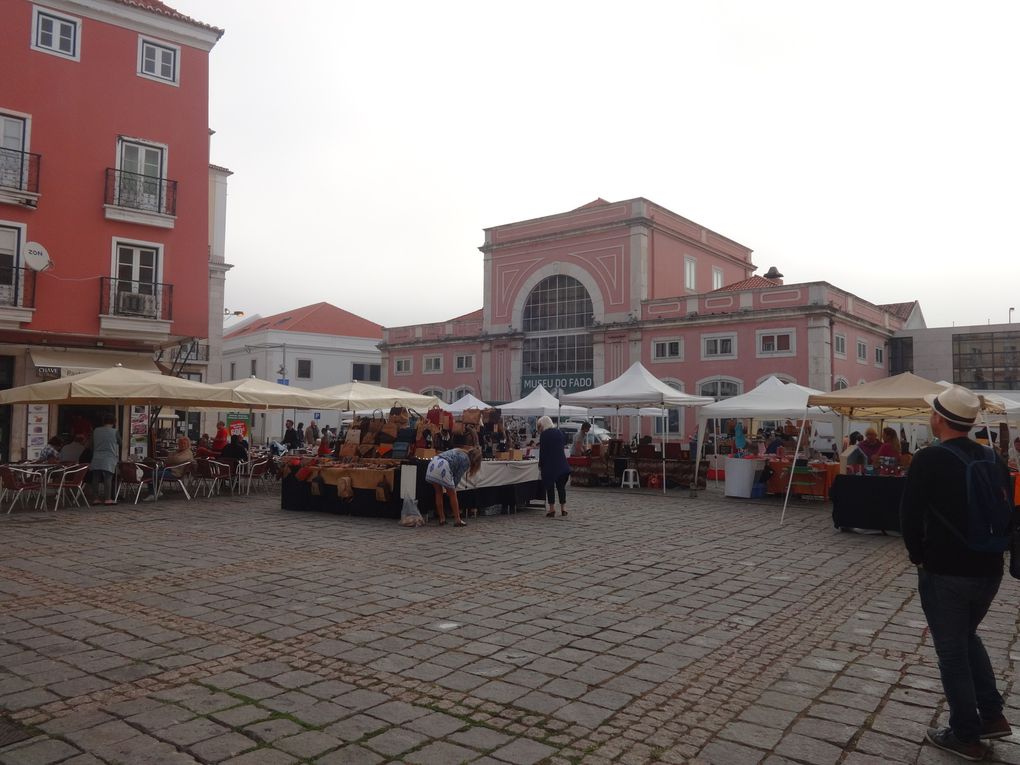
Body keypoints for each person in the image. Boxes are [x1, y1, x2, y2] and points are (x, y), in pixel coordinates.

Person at [900, 385, 1012, 760]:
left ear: (938, 418)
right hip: (989, 567)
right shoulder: (991, 456)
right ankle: (992, 714)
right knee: (967, 637)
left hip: (947, 568)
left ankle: (965, 733)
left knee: (952, 653)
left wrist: (918, 555)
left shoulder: (929, 458)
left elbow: (909, 515)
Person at [424, 445, 482, 527]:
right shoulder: (466, 460)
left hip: (434, 462)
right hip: (443, 466)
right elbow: (457, 476)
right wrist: (452, 488)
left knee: (438, 493)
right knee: (453, 494)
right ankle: (457, 519)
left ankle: (442, 519)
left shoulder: (458, 450)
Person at [537, 415, 570, 518]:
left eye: (539, 426)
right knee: (561, 488)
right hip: (562, 464)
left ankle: (552, 509)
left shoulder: (544, 435)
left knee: (550, 487)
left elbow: (542, 452)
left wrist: (540, 464)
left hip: (550, 465)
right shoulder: (559, 432)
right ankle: (563, 508)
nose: (539, 428)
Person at [90, 415, 120, 505]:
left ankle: (95, 498)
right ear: (114, 422)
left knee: (95, 478)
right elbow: (120, 442)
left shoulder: (96, 431)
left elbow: (91, 444)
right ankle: (107, 499)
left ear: (103, 422)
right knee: (108, 478)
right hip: (109, 457)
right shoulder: (115, 432)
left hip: (97, 456)